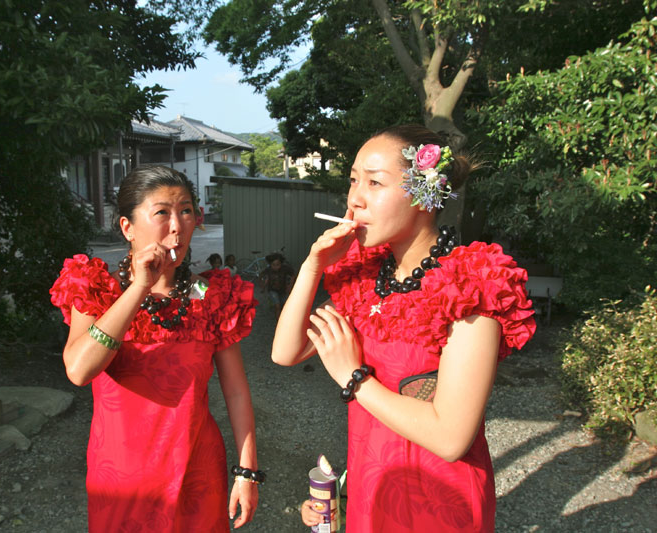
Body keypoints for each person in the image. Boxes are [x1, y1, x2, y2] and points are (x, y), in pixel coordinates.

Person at [272, 125, 536, 532]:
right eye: (353, 181)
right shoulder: (365, 277)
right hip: (372, 486)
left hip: (440, 504)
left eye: (374, 182)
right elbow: (285, 352)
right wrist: (312, 266)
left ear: (424, 195)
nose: (355, 199)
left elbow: (451, 438)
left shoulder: (469, 284)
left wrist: (354, 378)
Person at [49, 165, 264, 532]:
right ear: (127, 227)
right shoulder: (96, 288)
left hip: (197, 473)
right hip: (122, 481)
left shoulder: (210, 295)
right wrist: (138, 288)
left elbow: (236, 391)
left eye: (186, 211)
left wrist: (247, 472)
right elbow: (79, 371)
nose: (177, 226)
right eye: (162, 212)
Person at [258, 253, 295, 320]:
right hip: (272, 290)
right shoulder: (268, 270)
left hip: (282, 290)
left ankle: (283, 317)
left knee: (284, 305)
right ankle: (278, 321)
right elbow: (261, 275)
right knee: (277, 306)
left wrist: (289, 286)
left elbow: (293, 275)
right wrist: (262, 285)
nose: (276, 267)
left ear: (281, 264)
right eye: (273, 265)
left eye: (278, 265)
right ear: (270, 264)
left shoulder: (284, 269)